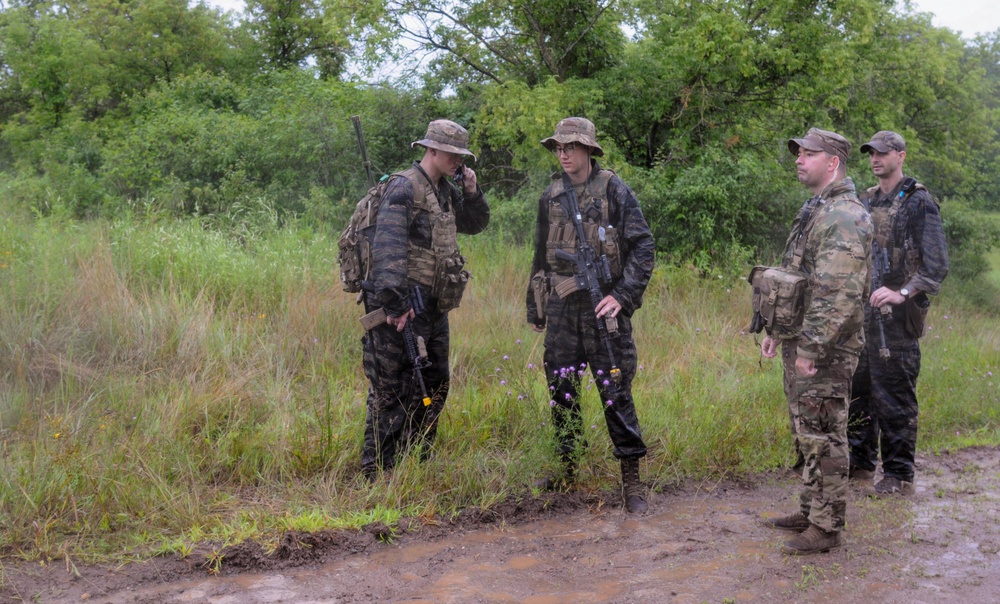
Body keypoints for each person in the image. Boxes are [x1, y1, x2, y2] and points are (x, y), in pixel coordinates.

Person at [526, 117, 655, 513]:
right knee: (561, 388)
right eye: (559, 148)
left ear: (588, 150)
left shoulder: (614, 189)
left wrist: (623, 295)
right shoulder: (550, 195)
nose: (563, 154)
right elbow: (539, 253)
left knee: (615, 390)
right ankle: (567, 468)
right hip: (564, 308)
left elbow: (643, 247)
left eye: (571, 147)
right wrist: (536, 306)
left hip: (603, 308)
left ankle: (631, 480)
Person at [760, 128, 872, 555]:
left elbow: (837, 291)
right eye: (799, 153)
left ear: (833, 162)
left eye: (808, 153)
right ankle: (811, 510)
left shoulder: (844, 215)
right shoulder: (817, 208)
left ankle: (827, 528)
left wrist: (812, 345)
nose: (799, 159)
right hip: (802, 338)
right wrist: (778, 332)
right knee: (807, 430)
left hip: (826, 347)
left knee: (825, 432)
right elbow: (795, 278)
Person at [360, 119, 490, 481]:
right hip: (399, 309)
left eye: (461, 156)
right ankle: (376, 474)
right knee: (391, 390)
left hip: (433, 307)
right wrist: (397, 306)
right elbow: (387, 251)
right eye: (452, 154)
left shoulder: (445, 190)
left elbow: (476, 224)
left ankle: (416, 461)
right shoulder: (404, 188)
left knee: (434, 383)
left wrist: (472, 191)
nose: (457, 161)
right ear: (431, 150)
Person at [847, 131, 949, 495]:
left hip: (897, 321)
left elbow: (936, 265)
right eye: (870, 153)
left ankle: (898, 476)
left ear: (900, 156)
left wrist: (902, 292)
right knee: (858, 392)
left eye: (882, 153)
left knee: (894, 397)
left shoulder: (918, 202)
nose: (875, 159)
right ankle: (858, 465)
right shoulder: (864, 200)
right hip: (862, 316)